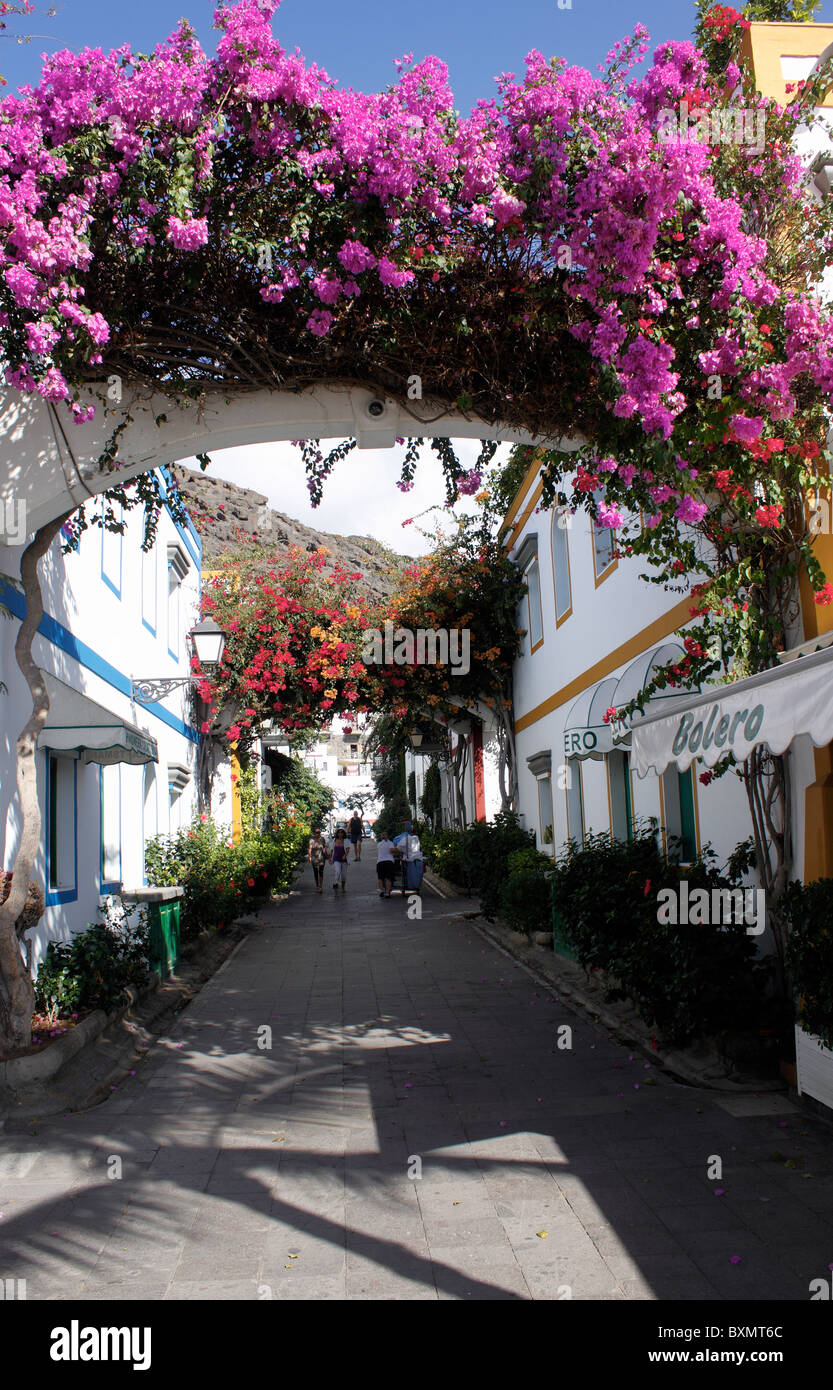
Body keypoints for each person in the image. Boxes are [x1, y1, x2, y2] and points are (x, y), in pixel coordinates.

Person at [307, 827, 328, 894]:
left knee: (321, 871)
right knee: (316, 872)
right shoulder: (311, 840)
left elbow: (324, 848)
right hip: (314, 857)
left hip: (321, 857)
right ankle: (317, 886)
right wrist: (309, 856)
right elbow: (310, 848)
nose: (318, 834)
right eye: (316, 832)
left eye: (319, 832)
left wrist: (327, 855)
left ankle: (320, 886)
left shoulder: (322, 839)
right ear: (314, 833)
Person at [375, 833, 397, 898]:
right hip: (389, 862)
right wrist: (398, 851)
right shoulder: (390, 843)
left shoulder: (379, 844)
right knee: (388, 878)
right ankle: (387, 893)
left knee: (380, 878)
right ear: (387, 836)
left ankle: (381, 891)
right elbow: (391, 850)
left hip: (380, 862)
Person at [331, 829, 349, 893]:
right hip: (336, 859)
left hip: (344, 860)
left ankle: (343, 887)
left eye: (342, 833)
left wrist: (345, 855)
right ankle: (336, 883)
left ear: (343, 834)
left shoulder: (346, 841)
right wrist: (330, 857)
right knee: (337, 871)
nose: (340, 834)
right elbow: (332, 850)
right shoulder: (334, 840)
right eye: (339, 833)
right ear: (337, 834)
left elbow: (347, 849)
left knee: (343, 876)